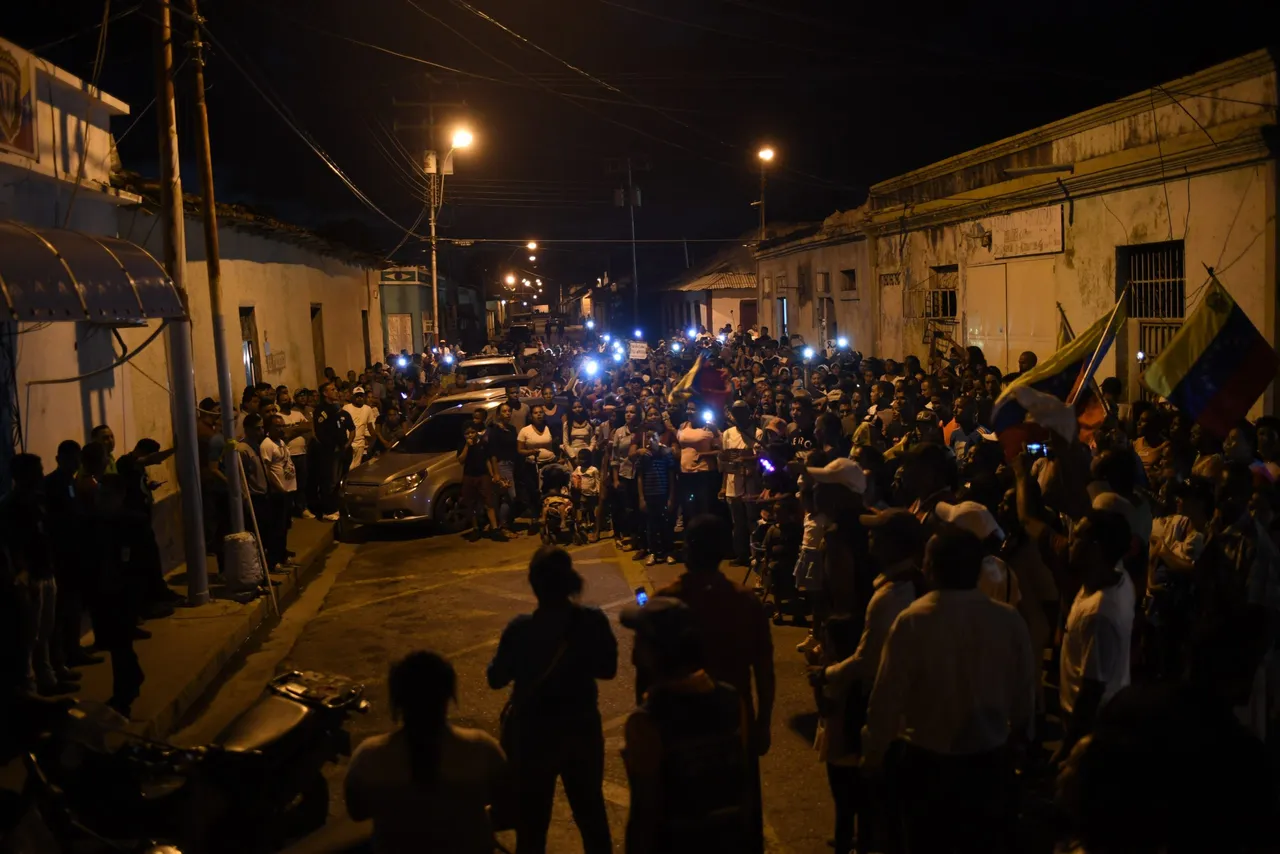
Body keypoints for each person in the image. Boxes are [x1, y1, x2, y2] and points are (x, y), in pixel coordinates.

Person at [862, 525, 1035, 854]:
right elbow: (1024, 692)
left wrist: (874, 753)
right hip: (987, 762)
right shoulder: (1008, 619)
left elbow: (887, 698)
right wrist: (1019, 742)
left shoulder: (913, 620)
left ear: (930, 568)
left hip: (928, 765)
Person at [654, 514, 774, 854]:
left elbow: (647, 676)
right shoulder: (746, 601)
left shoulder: (668, 601)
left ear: (687, 550)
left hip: (679, 730)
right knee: (738, 821)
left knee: (683, 825)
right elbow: (764, 672)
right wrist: (763, 722)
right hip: (735, 726)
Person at [487, 546, 617, 854]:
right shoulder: (592, 621)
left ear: (534, 584)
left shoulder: (520, 630)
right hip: (582, 730)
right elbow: (608, 669)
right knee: (592, 817)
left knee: (532, 825)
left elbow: (495, 679)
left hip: (534, 736)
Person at [620, 596, 751, 854]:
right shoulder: (731, 699)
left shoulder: (647, 721)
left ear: (651, 652)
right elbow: (745, 788)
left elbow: (644, 811)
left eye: (639, 640)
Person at [345, 651, 508, 854]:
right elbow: (508, 808)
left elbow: (357, 812)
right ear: (448, 695)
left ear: (398, 699)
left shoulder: (369, 757)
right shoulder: (482, 749)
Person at [1057, 509, 1136, 762]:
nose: (1070, 540)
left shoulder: (1100, 613)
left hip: (1092, 723)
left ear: (1096, 549)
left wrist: (1068, 747)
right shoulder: (1118, 578)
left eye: (1078, 536)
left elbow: (1092, 689)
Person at [1, 453, 79, 697]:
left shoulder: (38, 499)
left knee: (45, 629)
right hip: (29, 576)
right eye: (36, 471)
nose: (40, 475)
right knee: (28, 634)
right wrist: (22, 574)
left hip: (45, 571)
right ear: (20, 476)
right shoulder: (11, 505)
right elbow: (13, 544)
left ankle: (47, 677)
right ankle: (28, 684)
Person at [635, 422, 679, 567]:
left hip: (664, 493)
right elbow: (640, 477)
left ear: (658, 437)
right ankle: (653, 552)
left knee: (666, 524)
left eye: (653, 437)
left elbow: (672, 476)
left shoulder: (666, 454)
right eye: (647, 438)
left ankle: (668, 552)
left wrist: (672, 496)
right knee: (651, 525)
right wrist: (641, 498)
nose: (650, 440)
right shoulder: (643, 456)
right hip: (649, 494)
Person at [260, 414, 298, 570]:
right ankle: (273, 559)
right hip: (278, 492)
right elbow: (267, 469)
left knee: (285, 526)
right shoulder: (267, 445)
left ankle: (282, 555)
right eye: (278, 426)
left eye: (283, 426)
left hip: (288, 490)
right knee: (276, 528)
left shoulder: (281, 443)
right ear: (269, 428)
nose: (281, 429)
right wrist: (279, 487)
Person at [313, 381, 354, 521]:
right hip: (330, 451)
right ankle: (327, 509)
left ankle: (337, 506)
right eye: (332, 389)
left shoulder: (336, 409)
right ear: (325, 393)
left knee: (339, 480)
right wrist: (332, 446)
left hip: (341, 449)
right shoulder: (322, 410)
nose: (336, 391)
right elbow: (321, 432)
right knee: (329, 480)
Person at [458, 424, 503, 540]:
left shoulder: (483, 444)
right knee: (471, 503)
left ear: (476, 432)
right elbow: (461, 460)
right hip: (469, 476)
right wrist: (467, 446)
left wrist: (493, 474)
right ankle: (475, 528)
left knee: (488, 502)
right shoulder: (463, 445)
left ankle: (495, 528)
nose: (470, 435)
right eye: (467, 433)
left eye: (472, 432)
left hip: (483, 475)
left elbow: (487, 460)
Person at [277, 387, 313, 518]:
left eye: (287, 399)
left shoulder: (297, 414)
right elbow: (284, 434)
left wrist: (292, 429)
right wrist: (298, 428)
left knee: (302, 484)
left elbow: (308, 426)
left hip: (302, 453)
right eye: (283, 400)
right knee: (289, 485)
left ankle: (302, 508)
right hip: (288, 456)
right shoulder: (278, 417)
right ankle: (290, 511)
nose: (286, 402)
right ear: (279, 402)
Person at [571, 448, 601, 542]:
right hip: (582, 493)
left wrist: (598, 491)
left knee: (591, 510)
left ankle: (592, 526)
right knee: (583, 509)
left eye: (584, 459)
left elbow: (597, 481)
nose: (582, 461)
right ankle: (583, 525)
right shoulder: (578, 469)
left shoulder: (593, 470)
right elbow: (573, 477)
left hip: (592, 494)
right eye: (580, 459)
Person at [343, 386, 377, 469]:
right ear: (353, 397)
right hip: (348, 442)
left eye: (361, 396)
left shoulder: (367, 409)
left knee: (356, 467)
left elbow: (370, 427)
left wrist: (374, 441)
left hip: (360, 443)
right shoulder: (346, 408)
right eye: (357, 396)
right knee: (349, 467)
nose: (359, 398)